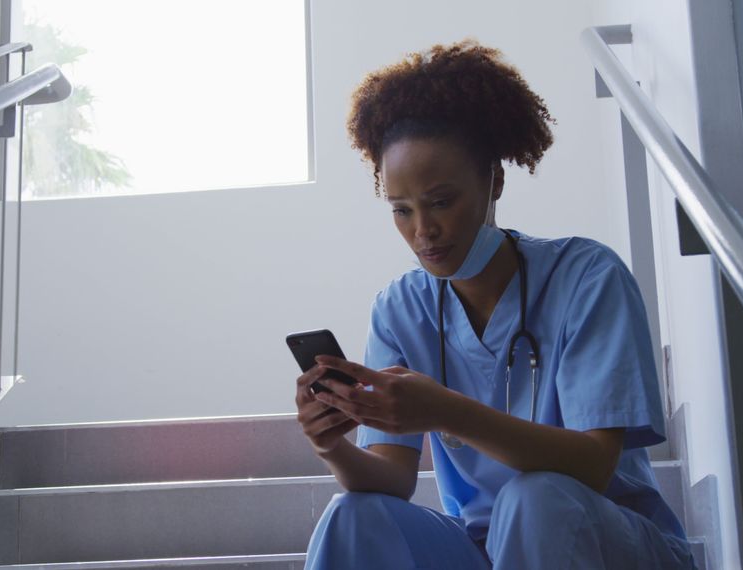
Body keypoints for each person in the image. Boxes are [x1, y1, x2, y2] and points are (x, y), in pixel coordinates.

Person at [294, 39, 696, 569]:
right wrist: (331, 446)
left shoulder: (587, 278)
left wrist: (443, 409)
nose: (423, 230)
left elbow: (596, 465)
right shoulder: (399, 310)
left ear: (494, 180)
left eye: (441, 201)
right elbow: (391, 477)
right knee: (353, 515)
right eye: (401, 210)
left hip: (604, 537)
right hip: (483, 551)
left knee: (534, 500)